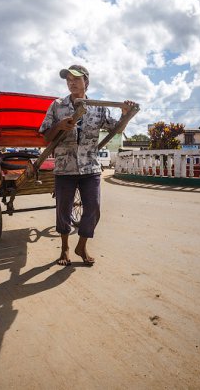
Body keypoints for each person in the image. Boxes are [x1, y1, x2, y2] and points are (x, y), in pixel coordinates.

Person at [39, 64, 135, 266]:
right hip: (65, 168)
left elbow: (116, 130)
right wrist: (59, 126)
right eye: (68, 79)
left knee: (93, 208)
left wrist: (125, 114)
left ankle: (81, 245)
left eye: (76, 79)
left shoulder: (98, 107)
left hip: (90, 167)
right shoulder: (57, 105)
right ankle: (64, 247)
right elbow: (46, 135)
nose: (71, 82)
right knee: (63, 210)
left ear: (86, 82)